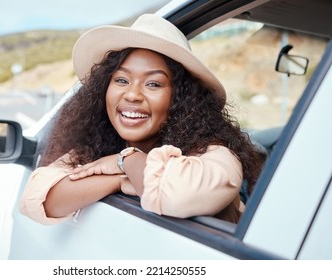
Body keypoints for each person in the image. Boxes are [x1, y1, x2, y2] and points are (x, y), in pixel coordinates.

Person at [19, 14, 263, 225]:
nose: (133, 95)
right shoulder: (98, 148)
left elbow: (176, 194)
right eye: (121, 80)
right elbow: (39, 198)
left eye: (153, 83)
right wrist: (122, 179)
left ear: (182, 98)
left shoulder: (216, 154)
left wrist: (127, 159)